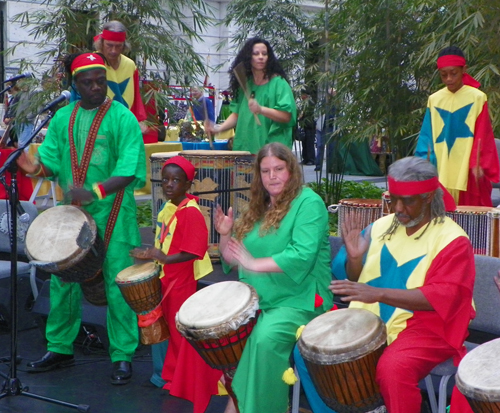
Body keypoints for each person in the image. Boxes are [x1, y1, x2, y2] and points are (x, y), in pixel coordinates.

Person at [295, 156, 476, 413]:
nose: (398, 208)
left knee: (394, 368)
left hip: (428, 326)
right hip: (367, 318)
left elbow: (442, 297)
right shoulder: (381, 226)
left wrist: (377, 293)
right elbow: (353, 278)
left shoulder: (453, 239)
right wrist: (355, 259)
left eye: (408, 200)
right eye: (393, 199)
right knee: (308, 354)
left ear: (427, 197)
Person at [17, 52, 146, 385]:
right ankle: (60, 346)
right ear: (74, 85)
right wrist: (35, 168)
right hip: (73, 219)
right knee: (63, 282)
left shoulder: (122, 118)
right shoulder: (62, 119)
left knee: (118, 285)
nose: (95, 88)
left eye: (100, 82)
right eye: (87, 83)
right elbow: (50, 163)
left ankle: (121, 355)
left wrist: (96, 192)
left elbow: (129, 171)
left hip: (115, 215)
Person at [214, 142, 333, 413]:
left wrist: (254, 263)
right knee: (236, 344)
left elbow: (302, 255)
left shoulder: (308, 202)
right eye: (266, 170)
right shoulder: (258, 207)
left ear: (291, 170)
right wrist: (224, 235)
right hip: (257, 301)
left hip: (299, 301)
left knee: (264, 340)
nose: (272, 176)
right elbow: (233, 259)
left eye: (279, 169)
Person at [130, 155, 223, 413]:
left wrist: (164, 258)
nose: (169, 184)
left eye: (176, 180)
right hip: (167, 278)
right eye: (166, 180)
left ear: (188, 184)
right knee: (171, 330)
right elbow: (165, 241)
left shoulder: (191, 213)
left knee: (180, 333)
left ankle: (187, 382)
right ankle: (173, 377)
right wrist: (151, 255)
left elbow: (194, 251)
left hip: (181, 281)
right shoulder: (168, 207)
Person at [415, 46, 499, 206]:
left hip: (468, 171)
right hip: (441, 169)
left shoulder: (477, 97)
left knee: (472, 220)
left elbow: (483, 134)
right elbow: (427, 134)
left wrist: (478, 163)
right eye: (443, 75)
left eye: (454, 73)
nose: (448, 79)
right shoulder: (434, 99)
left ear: (464, 70)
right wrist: (423, 164)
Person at [206, 38, 297, 154]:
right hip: (246, 147)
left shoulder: (279, 83)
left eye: (264, 54)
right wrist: (218, 128)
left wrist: (260, 109)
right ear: (248, 57)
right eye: (256, 54)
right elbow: (237, 115)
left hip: (271, 150)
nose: (261, 57)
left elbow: (286, 116)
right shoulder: (244, 83)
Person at [92, 20, 147, 126]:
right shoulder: (91, 63)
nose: (114, 51)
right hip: (98, 126)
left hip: (125, 125)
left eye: (118, 46)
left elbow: (136, 100)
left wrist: (138, 122)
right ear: (101, 43)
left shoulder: (130, 65)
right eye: (109, 45)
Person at [315, 87, 336, 172]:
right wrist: (316, 122)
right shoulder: (322, 103)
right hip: (322, 126)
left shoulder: (337, 103)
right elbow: (317, 112)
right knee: (320, 146)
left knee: (331, 147)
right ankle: (318, 165)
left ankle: (330, 166)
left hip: (331, 127)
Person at [297, 89, 316, 165]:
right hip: (304, 125)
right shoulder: (304, 103)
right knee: (304, 142)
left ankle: (311, 159)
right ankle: (305, 158)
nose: (301, 96)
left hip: (309, 125)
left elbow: (305, 113)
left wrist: (300, 116)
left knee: (309, 143)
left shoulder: (309, 102)